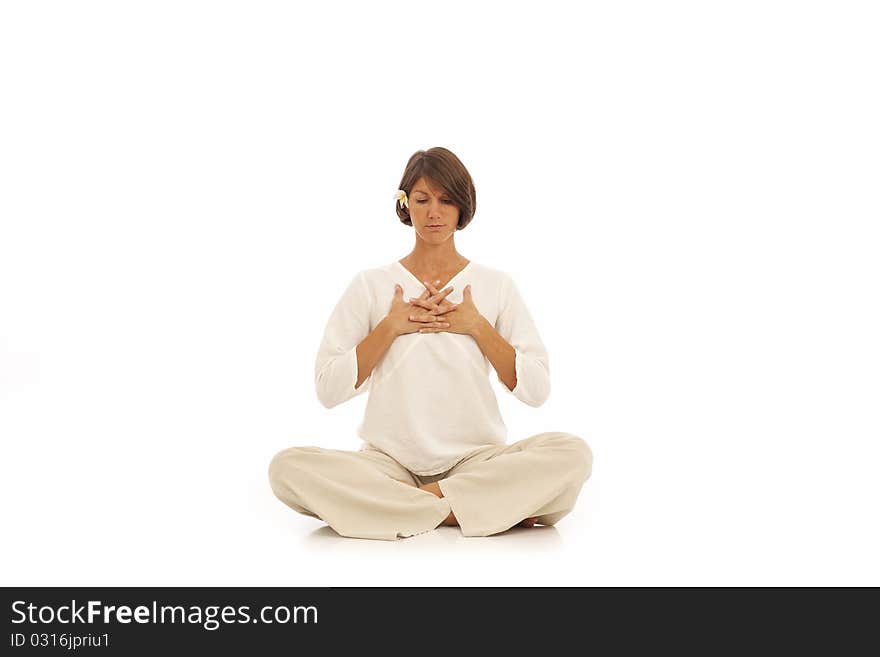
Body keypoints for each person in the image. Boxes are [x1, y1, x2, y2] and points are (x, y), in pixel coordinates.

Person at [268, 147, 592, 540]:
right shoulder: (371, 285)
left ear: (462, 207)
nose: (434, 213)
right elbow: (327, 390)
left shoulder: (495, 286)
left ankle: (407, 505)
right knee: (286, 468)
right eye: (422, 200)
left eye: (446, 200)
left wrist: (478, 327)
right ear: (406, 205)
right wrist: (389, 328)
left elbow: (537, 390)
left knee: (572, 453)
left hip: (477, 460)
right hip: (388, 466)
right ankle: (471, 507)